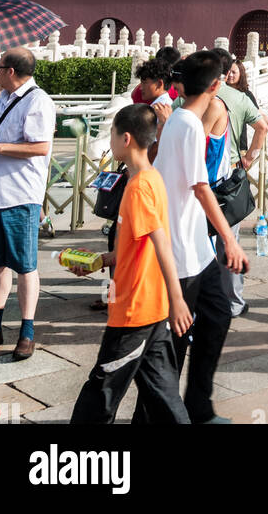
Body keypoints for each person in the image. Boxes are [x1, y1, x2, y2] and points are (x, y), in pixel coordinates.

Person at [70, 104, 193, 424]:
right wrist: (102, 260)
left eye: (111, 133)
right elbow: (137, 245)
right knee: (165, 397)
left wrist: (178, 299)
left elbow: (161, 242)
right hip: (151, 309)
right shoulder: (150, 178)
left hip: (134, 312)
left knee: (101, 393)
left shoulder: (139, 187)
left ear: (125, 138)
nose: (109, 139)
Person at [149, 50, 249, 423]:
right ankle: (167, 413)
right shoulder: (187, 124)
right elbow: (201, 186)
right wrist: (231, 240)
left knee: (218, 315)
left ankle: (198, 405)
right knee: (175, 340)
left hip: (197, 251)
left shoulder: (178, 120)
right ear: (215, 85)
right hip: (182, 253)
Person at [0, 48, 55, 360]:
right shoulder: (3, 99)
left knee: (25, 265)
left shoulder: (38, 101)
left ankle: (27, 329)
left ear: (11, 71)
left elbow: (40, 147)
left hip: (21, 194)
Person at [213, 49, 268, 318]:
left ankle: (200, 300)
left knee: (200, 242)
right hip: (231, 177)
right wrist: (250, 157)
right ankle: (233, 302)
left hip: (199, 177)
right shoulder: (239, 98)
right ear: (228, 73)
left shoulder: (194, 98)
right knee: (229, 242)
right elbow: (262, 127)